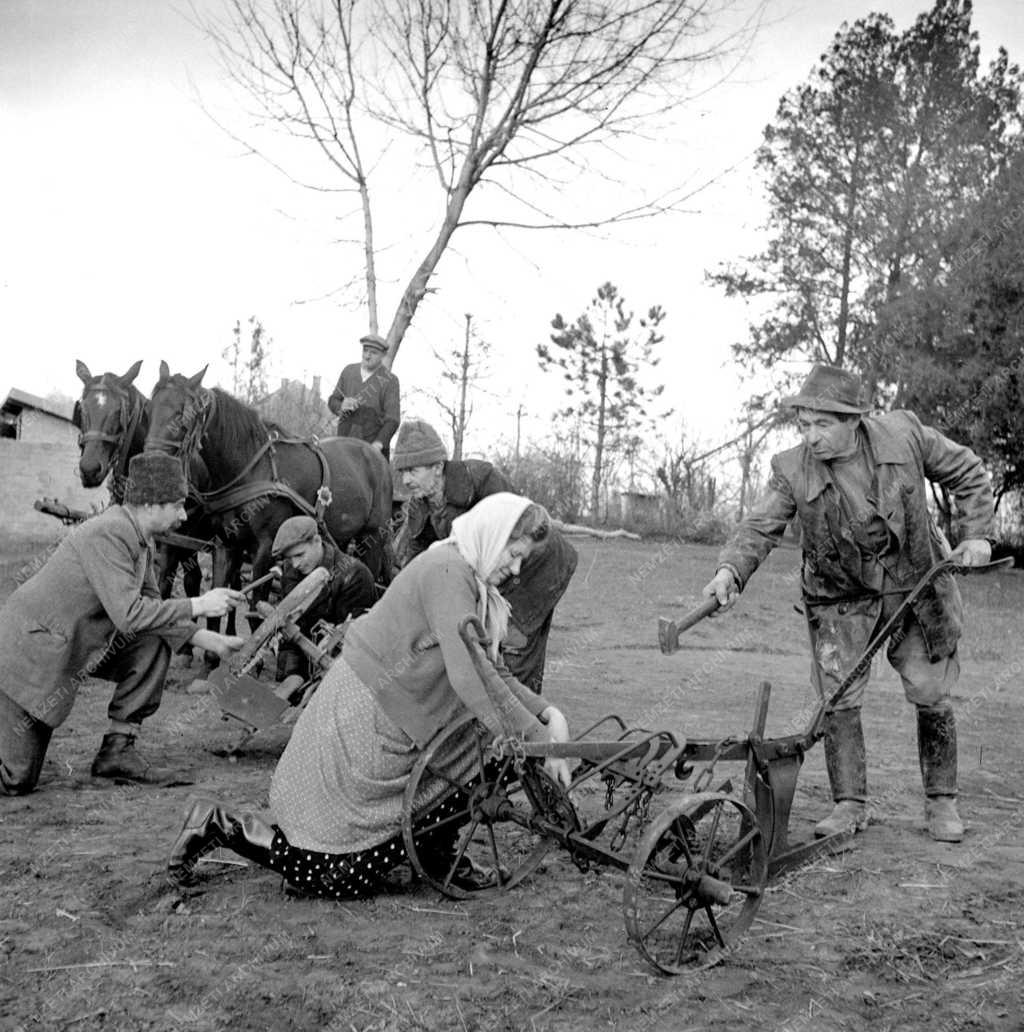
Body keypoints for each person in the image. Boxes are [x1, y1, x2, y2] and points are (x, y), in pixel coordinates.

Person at [167, 493, 572, 898]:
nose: (515, 569)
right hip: (368, 722)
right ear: (494, 536)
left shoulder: (465, 573)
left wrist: (548, 714)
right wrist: (539, 744)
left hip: (391, 714)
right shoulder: (449, 575)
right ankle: (219, 824)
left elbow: (489, 668)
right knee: (337, 878)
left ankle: (438, 855)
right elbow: (471, 679)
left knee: (486, 743)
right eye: (514, 555)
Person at [701, 364, 994, 844]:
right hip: (840, 598)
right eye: (804, 425)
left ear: (854, 420)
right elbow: (759, 526)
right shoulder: (791, 468)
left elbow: (968, 471)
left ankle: (942, 801)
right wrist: (729, 570)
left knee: (930, 691)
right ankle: (850, 804)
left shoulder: (905, 435)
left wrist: (977, 534)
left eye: (822, 424)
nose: (811, 436)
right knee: (838, 698)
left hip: (914, 586)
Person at [0, 452, 246, 794]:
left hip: (67, 645)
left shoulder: (140, 539)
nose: (184, 515)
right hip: (29, 655)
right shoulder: (110, 532)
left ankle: (117, 751)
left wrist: (209, 639)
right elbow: (129, 614)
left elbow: (153, 609)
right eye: (177, 505)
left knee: (153, 642)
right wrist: (200, 604)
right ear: (150, 504)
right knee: (16, 779)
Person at [391, 419, 577, 693]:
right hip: (500, 568)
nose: (406, 480)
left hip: (536, 563)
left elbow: (521, 529)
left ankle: (524, 714)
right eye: (402, 472)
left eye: (412, 471)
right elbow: (415, 561)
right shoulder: (420, 506)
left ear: (438, 467)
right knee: (488, 643)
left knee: (513, 644)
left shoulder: (481, 479)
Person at [270, 515, 378, 680]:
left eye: (299, 555)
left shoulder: (355, 576)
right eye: (290, 558)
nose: (295, 564)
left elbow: (352, 646)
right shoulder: (291, 570)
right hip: (298, 658)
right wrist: (288, 676)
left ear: (317, 541)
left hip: (334, 670)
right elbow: (290, 629)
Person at [327, 332, 401, 458]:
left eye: (373, 353)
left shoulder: (390, 380)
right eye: (365, 351)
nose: (367, 356)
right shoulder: (349, 371)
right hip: (344, 446)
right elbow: (333, 400)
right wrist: (341, 406)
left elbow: (393, 420)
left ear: (383, 355)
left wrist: (378, 444)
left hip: (371, 452)